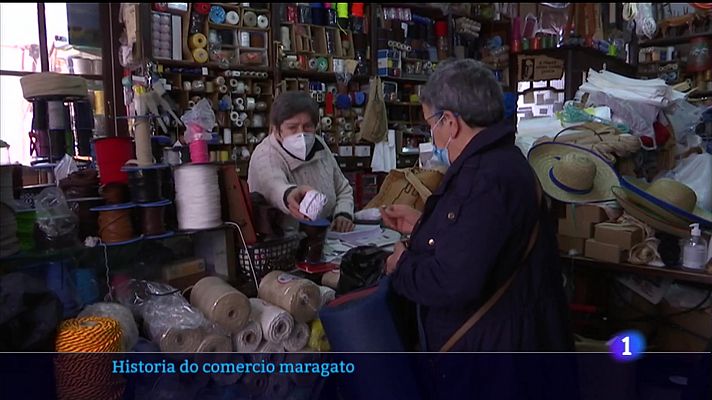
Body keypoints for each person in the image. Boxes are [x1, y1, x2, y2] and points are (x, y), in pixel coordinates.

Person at [381, 59, 573, 352]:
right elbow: (481, 239)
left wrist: (402, 266)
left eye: (431, 124)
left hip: (495, 357)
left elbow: (452, 282)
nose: (432, 135)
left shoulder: (482, 179)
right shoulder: (504, 160)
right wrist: (423, 224)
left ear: (450, 122)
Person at [248, 91, 355, 233]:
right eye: (292, 127)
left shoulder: (320, 145)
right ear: (277, 130)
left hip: (328, 237)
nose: (301, 134)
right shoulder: (265, 154)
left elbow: (343, 189)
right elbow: (272, 185)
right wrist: (289, 195)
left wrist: (343, 214)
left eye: (307, 126)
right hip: (288, 242)